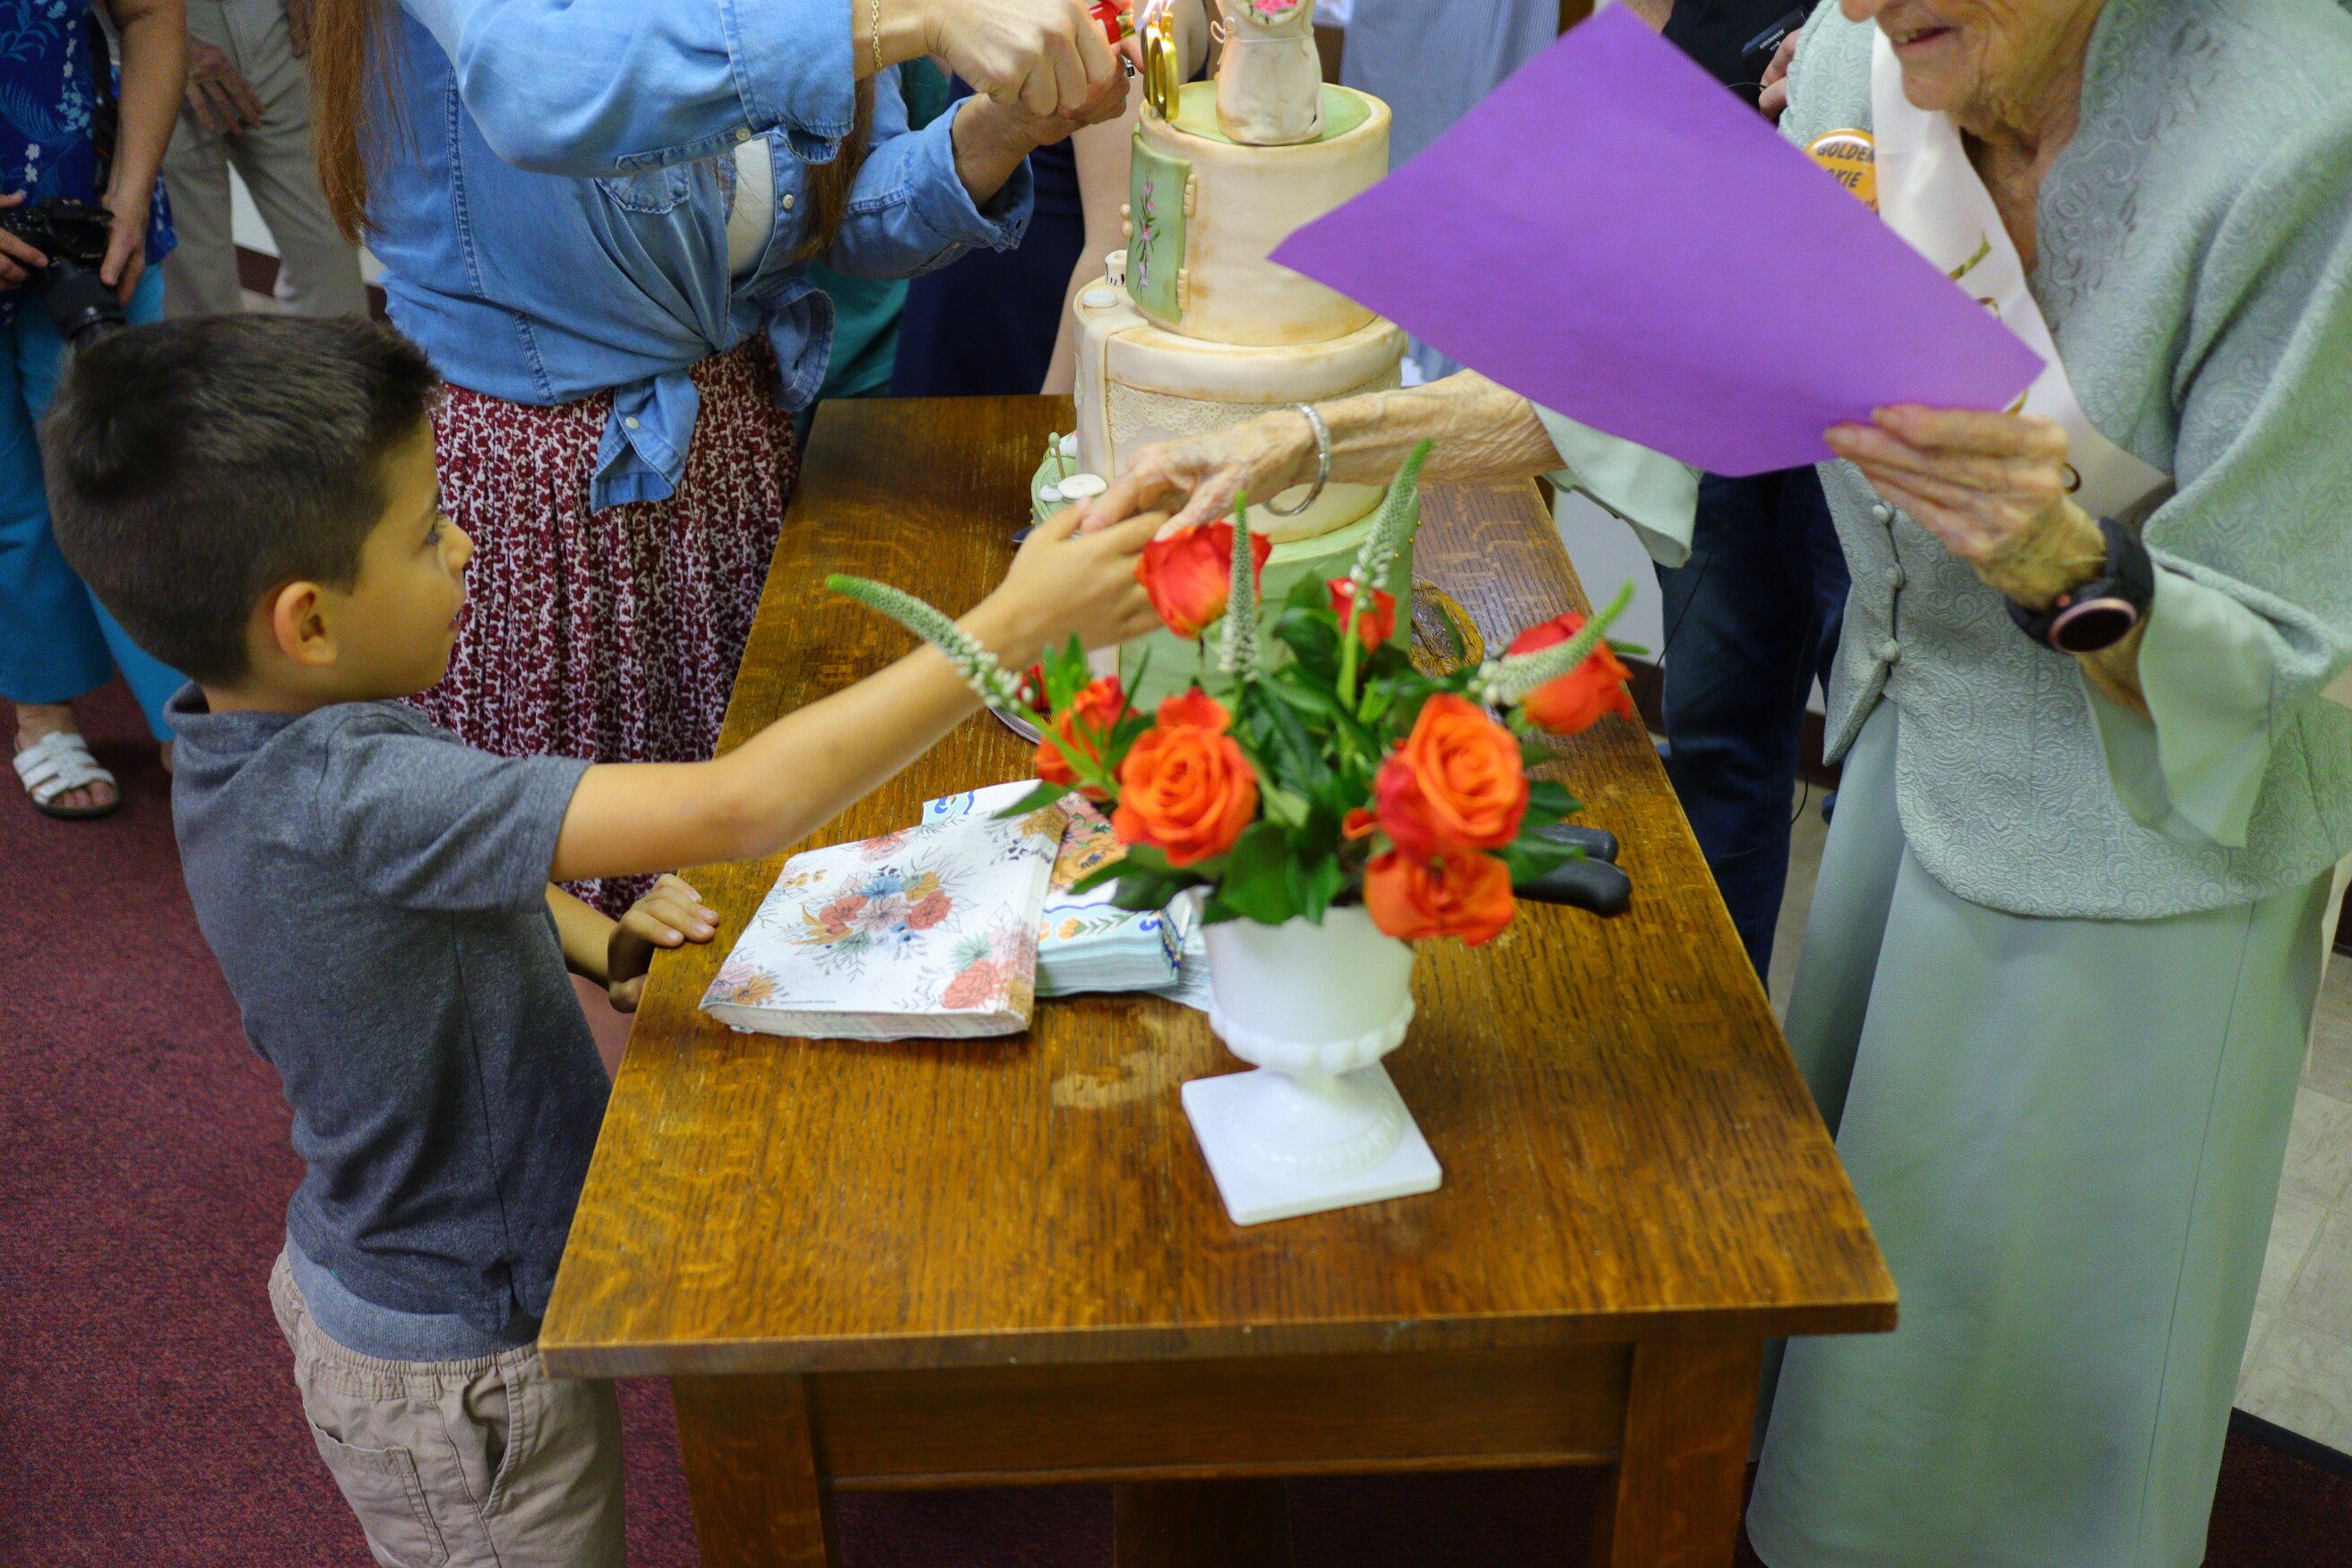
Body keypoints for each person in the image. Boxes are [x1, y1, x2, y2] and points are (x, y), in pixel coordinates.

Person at [1081, 0, 2352, 1559]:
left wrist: (2069, 565)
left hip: (2158, 855)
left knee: (2027, 1400)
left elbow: (2290, 661)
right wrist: (1310, 437)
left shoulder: (2305, 143)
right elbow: (1654, 369)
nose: (1858, 6)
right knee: (1862, 1330)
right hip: (1908, 776)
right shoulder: (1863, 67)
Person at [41, 312, 1162, 1564]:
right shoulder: (350, 787)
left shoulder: (267, 733)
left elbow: (445, 882)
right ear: (305, 621)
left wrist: (599, 941)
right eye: (427, 530)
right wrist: (1004, 627)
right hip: (462, 1365)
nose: (464, 544)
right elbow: (741, 806)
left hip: (452, 1296)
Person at [306, 0, 1128, 910]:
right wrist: (913, 19)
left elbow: (844, 210)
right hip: (547, 500)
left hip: (729, 454)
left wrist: (1004, 128)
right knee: (584, 897)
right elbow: (541, 85)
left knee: (737, 877)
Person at [2, 0, 185, 819]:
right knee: (8, 493)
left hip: (91, 212)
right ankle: (41, 712)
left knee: (130, 473)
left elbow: (149, 14)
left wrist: (131, 194)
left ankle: (190, 718)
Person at [160, 0, 367, 319]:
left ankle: (323, 354)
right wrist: (164, 41)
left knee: (331, 261)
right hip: (157, 47)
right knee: (201, 297)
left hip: (270, 29)